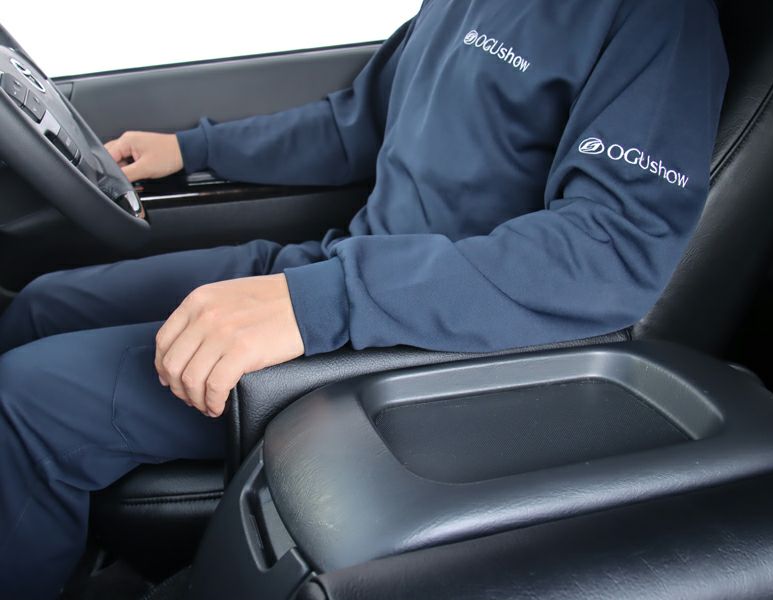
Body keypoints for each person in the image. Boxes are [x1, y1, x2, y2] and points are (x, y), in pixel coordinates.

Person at [0, 0, 728, 597]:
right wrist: (195, 149)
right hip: (339, 266)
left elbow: (611, 247)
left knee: (29, 399)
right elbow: (355, 124)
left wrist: (326, 300)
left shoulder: (654, 17)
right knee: (40, 305)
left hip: (420, 338)